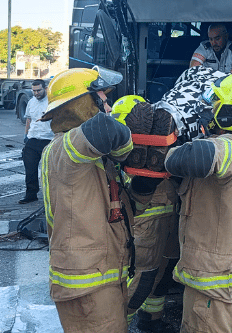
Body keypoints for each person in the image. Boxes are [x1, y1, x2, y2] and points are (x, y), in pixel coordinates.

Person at [39, 66, 155, 332]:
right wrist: (128, 150)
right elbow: (106, 128)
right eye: (103, 99)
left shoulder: (92, 157)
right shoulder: (64, 149)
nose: (109, 106)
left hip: (102, 278)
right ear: (83, 105)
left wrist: (146, 184)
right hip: (87, 284)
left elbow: (119, 210)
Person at [164, 73, 232, 333]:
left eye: (215, 104)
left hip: (216, 283)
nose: (208, 110)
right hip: (210, 279)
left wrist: (170, 149)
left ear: (230, 112)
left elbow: (193, 158)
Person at [111, 95, 180, 333]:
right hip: (144, 223)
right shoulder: (118, 157)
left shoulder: (157, 148)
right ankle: (118, 325)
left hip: (169, 218)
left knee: (162, 278)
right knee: (142, 281)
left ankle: (152, 321)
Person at [19, 79, 54, 204]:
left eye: (38, 90)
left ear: (45, 88)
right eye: (34, 91)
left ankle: (51, 196)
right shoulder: (31, 102)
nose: (36, 93)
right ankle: (31, 194)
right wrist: (26, 135)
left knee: (49, 171)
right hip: (33, 139)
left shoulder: (52, 101)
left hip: (48, 140)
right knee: (30, 169)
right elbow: (29, 120)